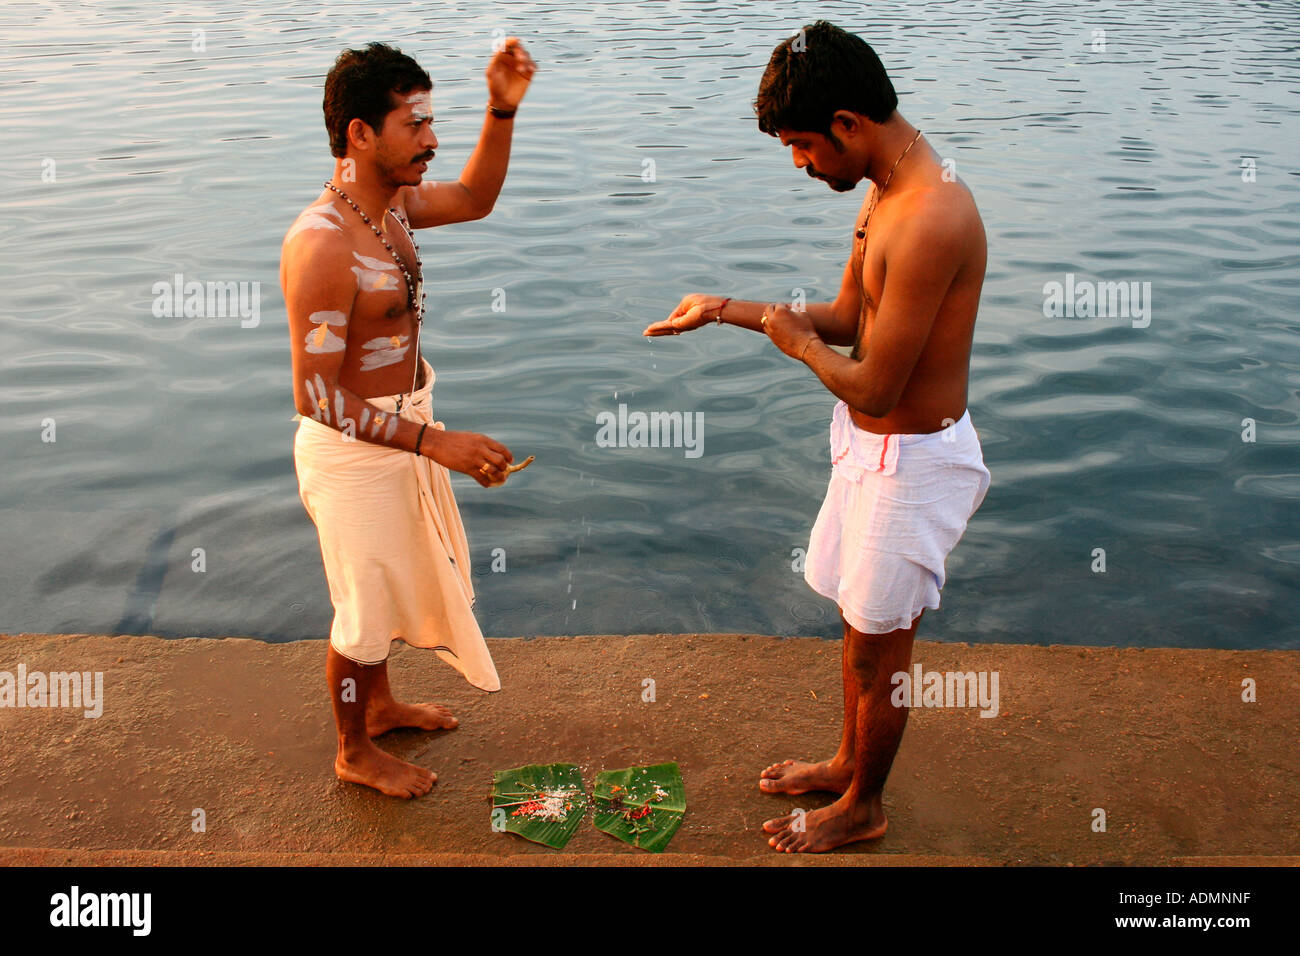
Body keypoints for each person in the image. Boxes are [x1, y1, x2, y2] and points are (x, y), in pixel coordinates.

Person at [645, 20, 991, 852]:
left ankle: (865, 808)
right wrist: (727, 309)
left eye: (803, 146)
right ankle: (847, 762)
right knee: (856, 625)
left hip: (913, 464)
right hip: (867, 450)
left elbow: (872, 376)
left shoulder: (932, 214)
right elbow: (845, 318)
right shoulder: (885, 185)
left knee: (883, 651)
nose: (800, 165)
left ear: (847, 123)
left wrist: (795, 345)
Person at [282, 38, 536, 798]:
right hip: (352, 453)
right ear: (360, 134)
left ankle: (382, 706)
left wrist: (502, 109)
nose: (431, 138)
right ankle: (353, 750)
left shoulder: (387, 208)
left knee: (387, 586)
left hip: (400, 432)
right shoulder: (323, 244)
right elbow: (315, 396)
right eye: (414, 124)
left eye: (431, 120)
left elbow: (476, 198)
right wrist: (436, 443)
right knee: (361, 611)